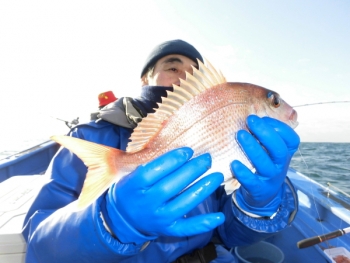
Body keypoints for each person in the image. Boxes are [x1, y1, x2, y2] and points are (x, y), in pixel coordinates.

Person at [22, 39, 300, 263]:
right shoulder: (93, 136)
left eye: (195, 71)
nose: (185, 77)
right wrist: (108, 223)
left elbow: (230, 234)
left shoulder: (244, 139)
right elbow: (41, 244)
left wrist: (257, 206)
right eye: (174, 67)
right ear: (146, 78)